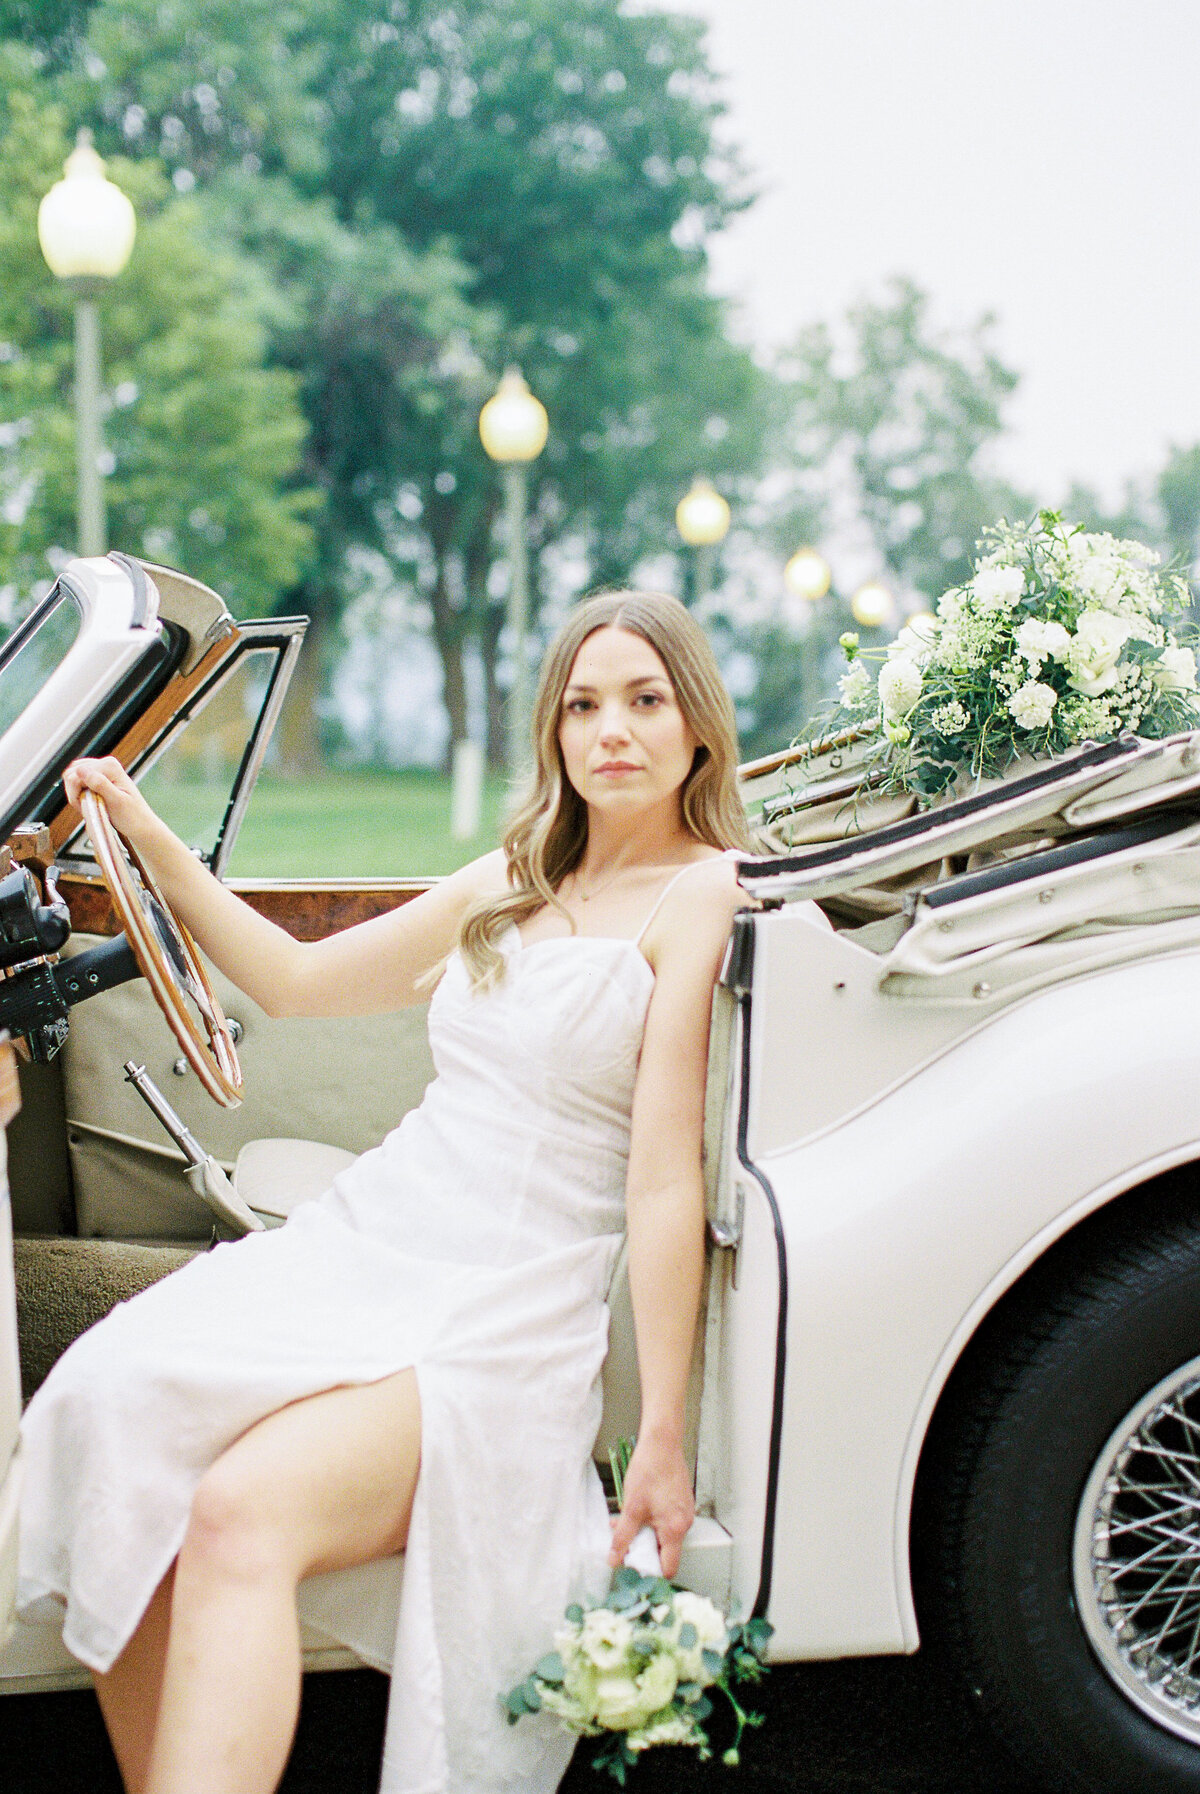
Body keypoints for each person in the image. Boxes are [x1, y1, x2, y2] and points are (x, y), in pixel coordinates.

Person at [17, 588, 755, 1794]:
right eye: (582, 706)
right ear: (554, 734)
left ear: (698, 729)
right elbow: (299, 984)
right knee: (108, 1397)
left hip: (503, 1304)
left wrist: (660, 1437)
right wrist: (146, 837)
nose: (611, 731)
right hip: (377, 1236)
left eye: (644, 701)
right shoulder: (517, 869)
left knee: (242, 1512)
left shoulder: (701, 895)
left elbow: (663, 1179)